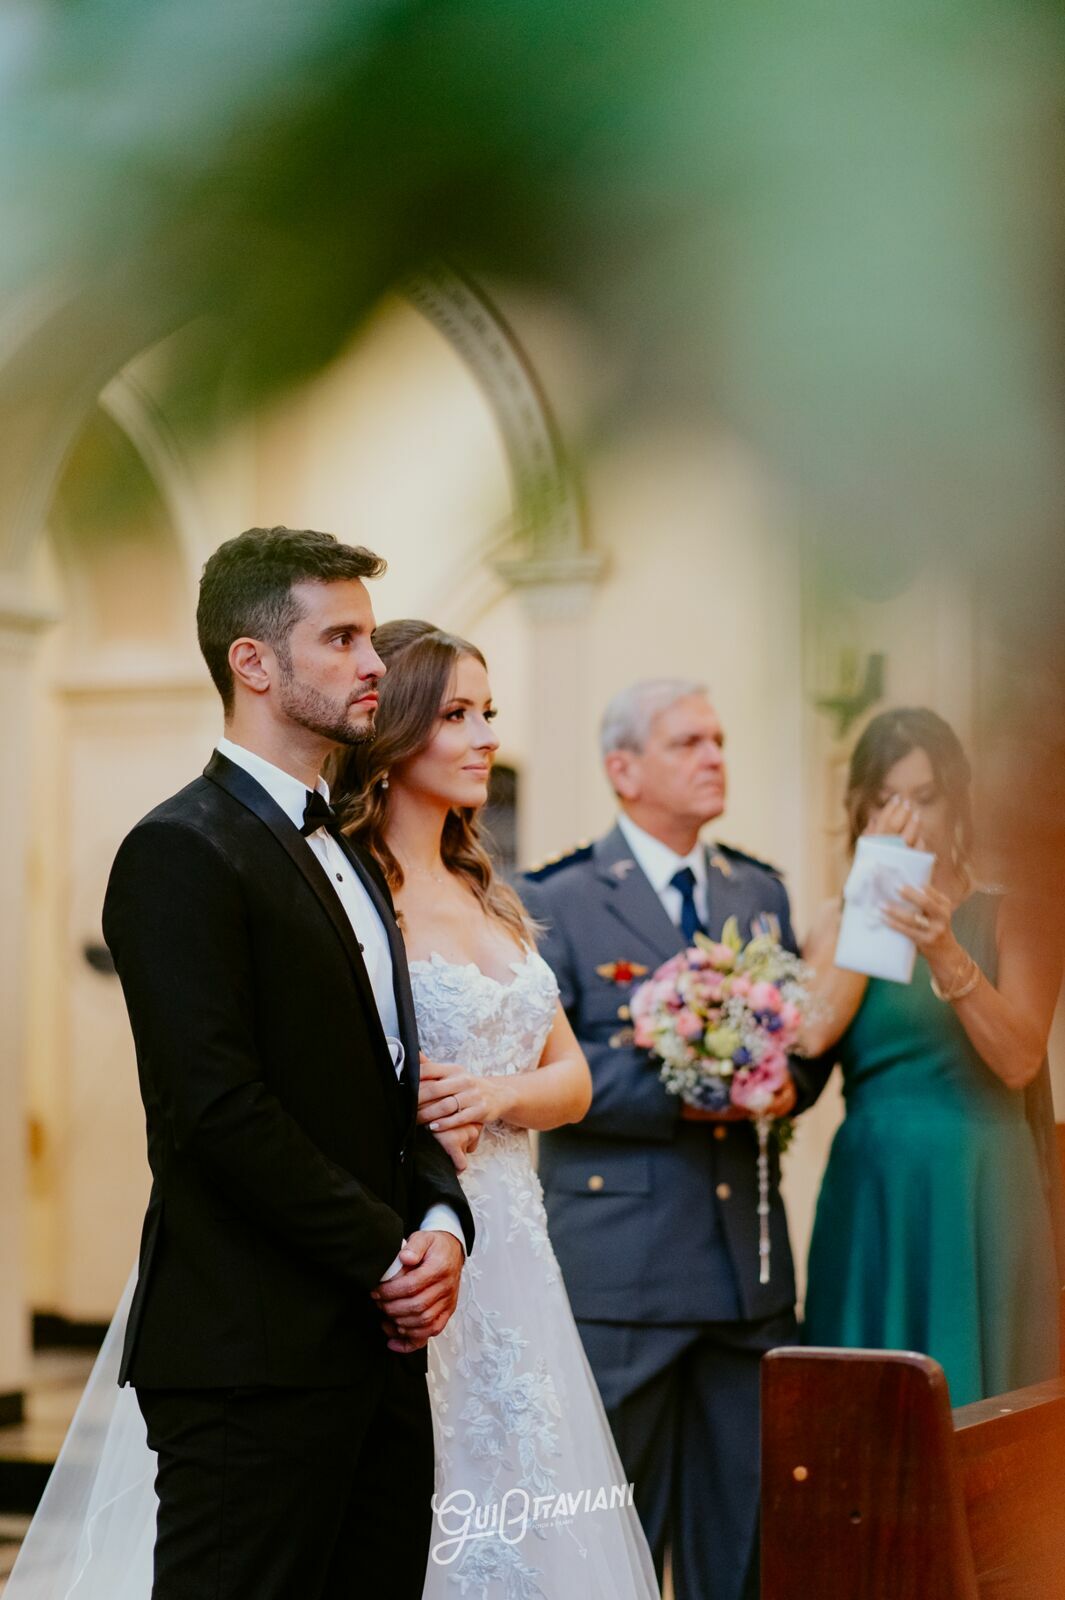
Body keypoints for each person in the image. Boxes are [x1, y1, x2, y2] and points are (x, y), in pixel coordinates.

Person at [7, 526, 475, 1600]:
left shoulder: (351, 850)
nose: (373, 664)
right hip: (251, 1356)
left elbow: (387, 1082)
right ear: (253, 663)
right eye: (342, 638)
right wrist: (386, 1252)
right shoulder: (179, 849)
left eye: (369, 638)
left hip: (379, 1355)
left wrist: (445, 1224)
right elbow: (216, 1111)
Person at [335, 619, 661, 1600]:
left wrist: (496, 1094)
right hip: (419, 1244)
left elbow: (574, 1080)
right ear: (394, 733)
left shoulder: (491, 897)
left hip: (517, 1254)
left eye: (488, 713)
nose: (486, 737)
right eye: (457, 715)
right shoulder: (354, 894)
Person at [520, 678, 817, 1600]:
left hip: (744, 1277)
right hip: (625, 1272)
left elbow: (800, 1049)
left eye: (718, 740)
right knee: (611, 1543)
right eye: (688, 742)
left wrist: (784, 1085)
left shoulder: (757, 890)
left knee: (742, 1546)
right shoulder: (558, 899)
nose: (713, 757)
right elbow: (544, 1073)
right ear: (624, 769)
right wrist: (689, 1093)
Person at [802, 707, 1064, 1405]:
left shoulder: (1016, 915)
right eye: (886, 800)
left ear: (956, 805)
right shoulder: (834, 921)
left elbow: (1019, 1061)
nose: (907, 819)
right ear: (861, 812)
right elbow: (809, 1034)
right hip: (873, 1191)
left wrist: (944, 948)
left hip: (978, 1187)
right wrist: (870, 903)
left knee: (980, 1404)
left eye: (925, 798)